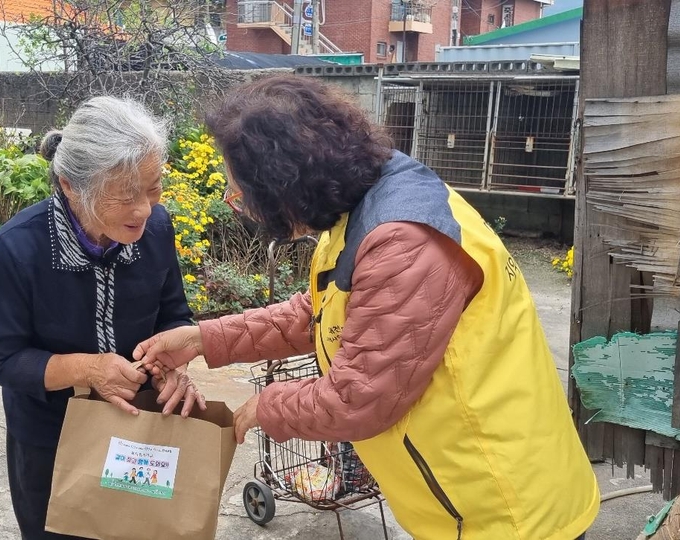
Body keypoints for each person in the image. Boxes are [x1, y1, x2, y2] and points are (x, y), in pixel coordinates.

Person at [135, 76, 599, 540]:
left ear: (284, 184)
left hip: (504, 508)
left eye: (243, 196)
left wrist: (268, 406)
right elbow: (322, 313)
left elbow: (361, 397)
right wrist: (203, 339)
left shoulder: (404, 240)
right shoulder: (364, 206)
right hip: (461, 500)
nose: (246, 210)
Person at [0, 96, 207, 540]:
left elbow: (173, 313)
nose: (144, 209)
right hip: (52, 436)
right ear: (70, 186)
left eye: (153, 188)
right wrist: (89, 369)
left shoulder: (157, 230)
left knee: (140, 531)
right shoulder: (15, 250)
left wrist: (170, 364)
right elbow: (5, 360)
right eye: (125, 196)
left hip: (138, 427)